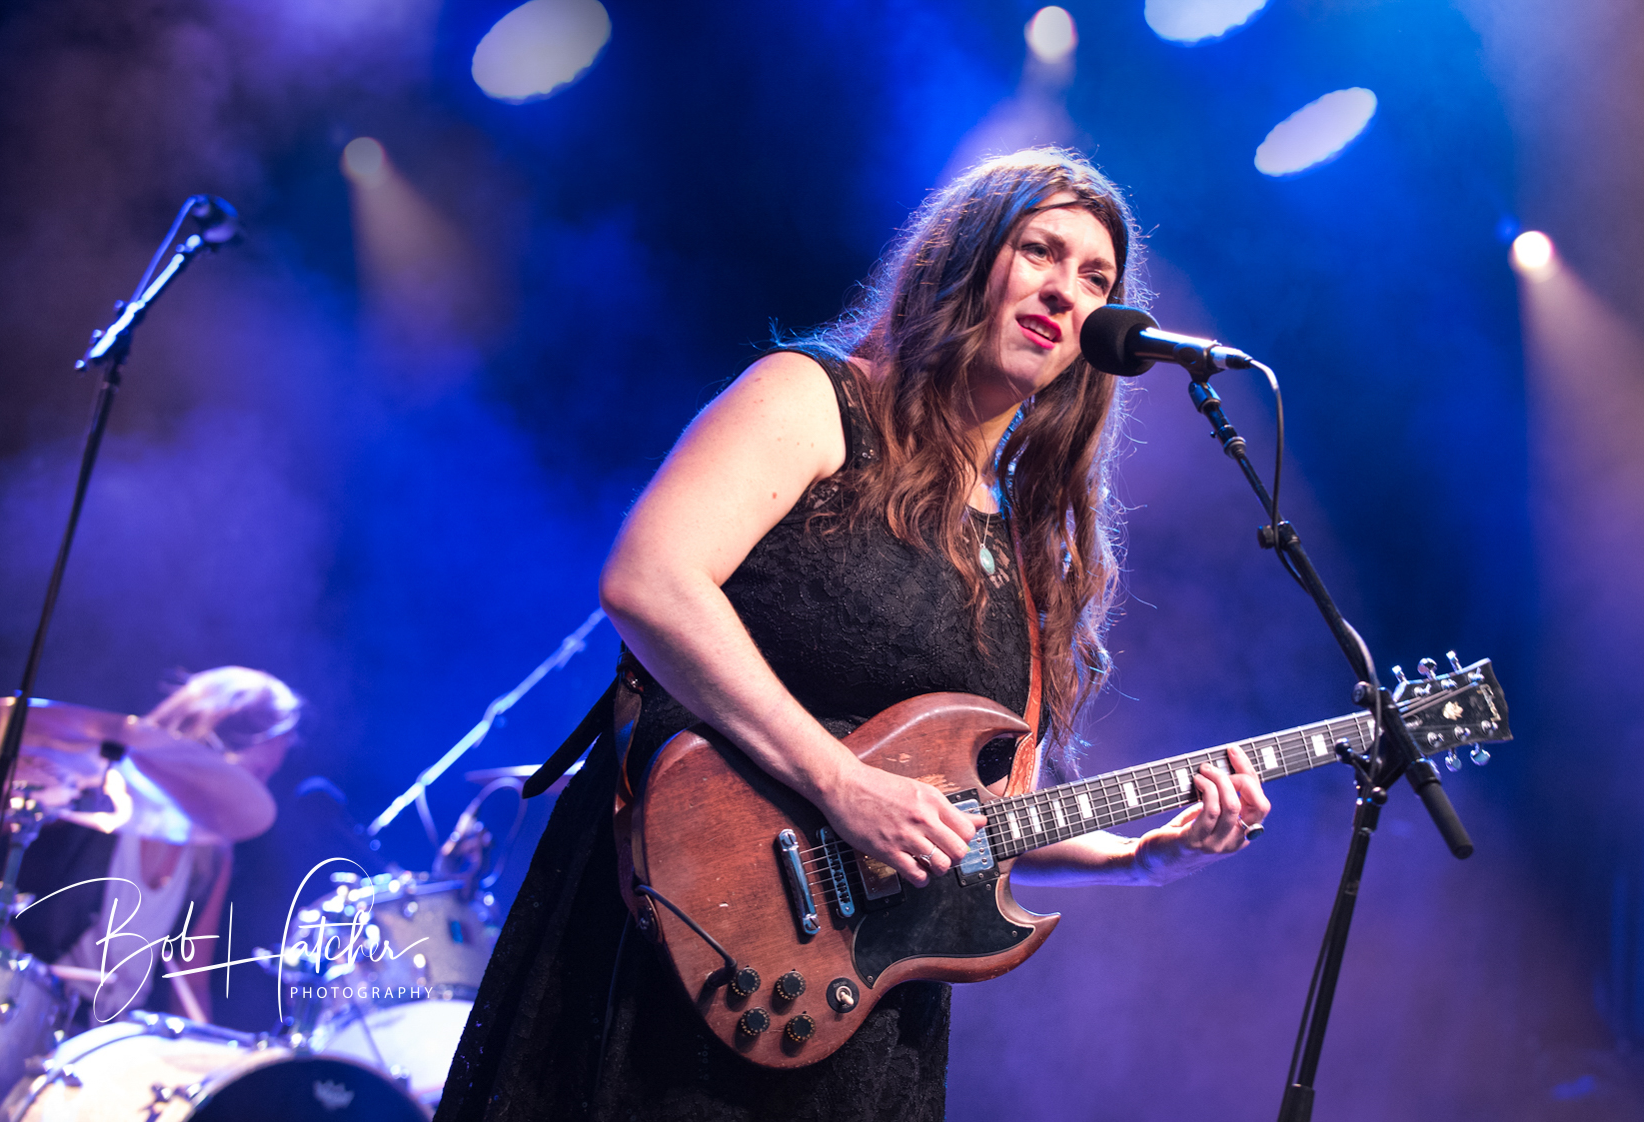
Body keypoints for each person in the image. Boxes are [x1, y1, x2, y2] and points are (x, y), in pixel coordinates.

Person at [434, 148, 1272, 1122]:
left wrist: (1139, 857)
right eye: (1040, 251)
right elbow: (649, 581)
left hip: (853, 1012)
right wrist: (840, 783)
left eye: (1096, 278)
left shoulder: (1025, 543)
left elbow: (986, 818)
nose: (1067, 291)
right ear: (965, 260)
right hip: (680, 931)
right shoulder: (813, 400)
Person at [9, 665, 300, 1024]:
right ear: (209, 743)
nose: (259, 790)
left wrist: (207, 1055)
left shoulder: (214, 854)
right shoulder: (99, 790)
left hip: (114, 1038)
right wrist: (1, 933)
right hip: (29, 1015)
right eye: (257, 772)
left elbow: (190, 984)